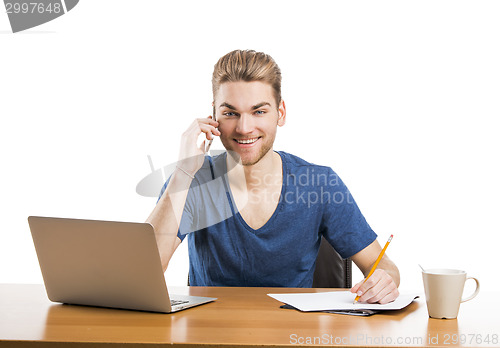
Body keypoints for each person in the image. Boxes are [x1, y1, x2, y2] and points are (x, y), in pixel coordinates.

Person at [147, 49, 400, 304]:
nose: (244, 128)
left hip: (293, 336)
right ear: (213, 116)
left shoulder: (320, 183)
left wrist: (383, 281)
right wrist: (182, 173)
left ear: (280, 113)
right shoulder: (193, 180)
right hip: (209, 336)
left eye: (259, 111)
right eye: (230, 113)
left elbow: (384, 267)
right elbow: (146, 273)